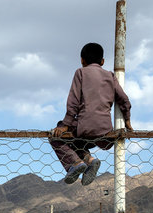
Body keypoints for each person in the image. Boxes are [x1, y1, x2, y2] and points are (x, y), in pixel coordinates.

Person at [50, 42, 132, 186]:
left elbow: (73, 102)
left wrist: (65, 125)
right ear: (102, 61)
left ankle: (75, 163)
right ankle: (89, 160)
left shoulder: (80, 72)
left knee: (56, 135)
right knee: (76, 140)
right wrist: (127, 120)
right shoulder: (110, 76)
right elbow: (123, 99)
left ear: (82, 60)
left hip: (84, 130)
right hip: (105, 134)